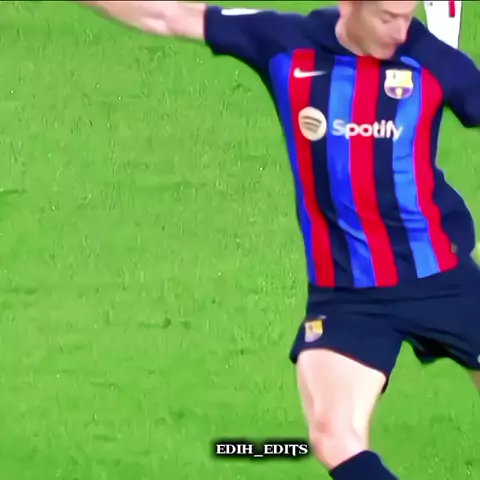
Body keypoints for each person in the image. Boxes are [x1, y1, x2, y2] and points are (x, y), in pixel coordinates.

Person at [75, 1, 480, 479]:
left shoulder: (433, 61)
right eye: (387, 17)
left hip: (445, 280)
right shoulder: (286, 45)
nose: (400, 29)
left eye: (407, 15)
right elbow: (169, 15)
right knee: (333, 437)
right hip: (350, 297)